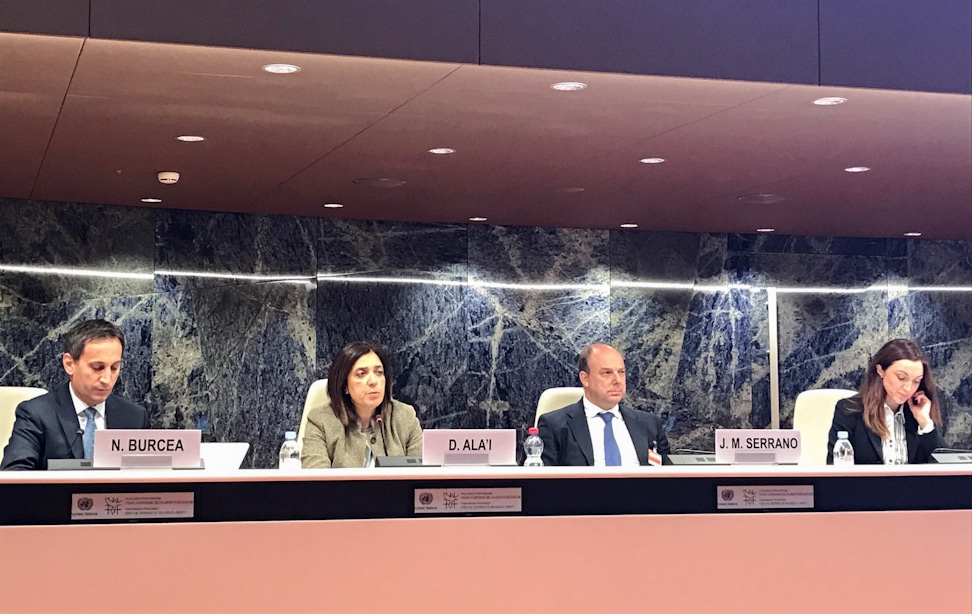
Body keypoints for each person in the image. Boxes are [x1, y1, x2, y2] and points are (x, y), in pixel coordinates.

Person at [2, 319, 150, 470]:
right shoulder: (36, 414)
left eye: (114, 368)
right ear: (69, 364)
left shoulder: (134, 418)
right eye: (97, 367)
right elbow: (14, 474)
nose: (107, 379)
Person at [538, 342, 671, 466]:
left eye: (621, 372)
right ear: (585, 378)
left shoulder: (650, 425)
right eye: (607, 373)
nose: (617, 380)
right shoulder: (555, 426)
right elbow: (542, 482)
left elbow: (670, 478)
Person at [301, 341, 422, 468]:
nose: (373, 381)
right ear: (345, 385)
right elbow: (316, 482)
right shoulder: (320, 421)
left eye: (379, 372)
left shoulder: (405, 416)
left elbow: (423, 478)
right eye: (361, 374)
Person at [826, 338, 944, 465]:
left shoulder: (921, 411)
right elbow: (836, 467)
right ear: (880, 370)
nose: (908, 388)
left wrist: (925, 423)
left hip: (913, 485)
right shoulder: (849, 410)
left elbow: (945, 466)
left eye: (916, 381)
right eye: (901, 377)